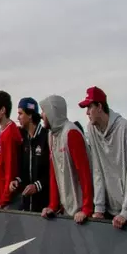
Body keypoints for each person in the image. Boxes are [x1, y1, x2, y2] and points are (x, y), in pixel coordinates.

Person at [79, 86, 127, 228]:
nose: (87, 112)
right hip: (109, 209)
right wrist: (98, 207)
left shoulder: (125, 128)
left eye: (89, 107)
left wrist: (125, 212)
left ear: (99, 107)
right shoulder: (91, 129)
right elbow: (98, 168)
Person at [39, 95, 94, 224]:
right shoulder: (51, 135)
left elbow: (84, 173)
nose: (41, 115)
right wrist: (53, 205)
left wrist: (86, 209)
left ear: (52, 111)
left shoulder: (71, 133)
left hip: (80, 212)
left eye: (44, 111)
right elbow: (54, 172)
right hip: (67, 210)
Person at [8, 97, 49, 213]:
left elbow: (53, 172)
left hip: (45, 209)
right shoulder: (24, 140)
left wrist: (37, 186)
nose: (18, 117)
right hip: (27, 207)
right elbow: (24, 171)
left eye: (20, 113)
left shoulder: (46, 137)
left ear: (30, 115)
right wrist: (17, 181)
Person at [0, 91, 22, 215]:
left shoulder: (10, 133)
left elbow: (10, 170)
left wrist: (2, 202)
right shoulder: (3, 131)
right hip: (5, 198)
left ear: (3, 110)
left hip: (11, 201)